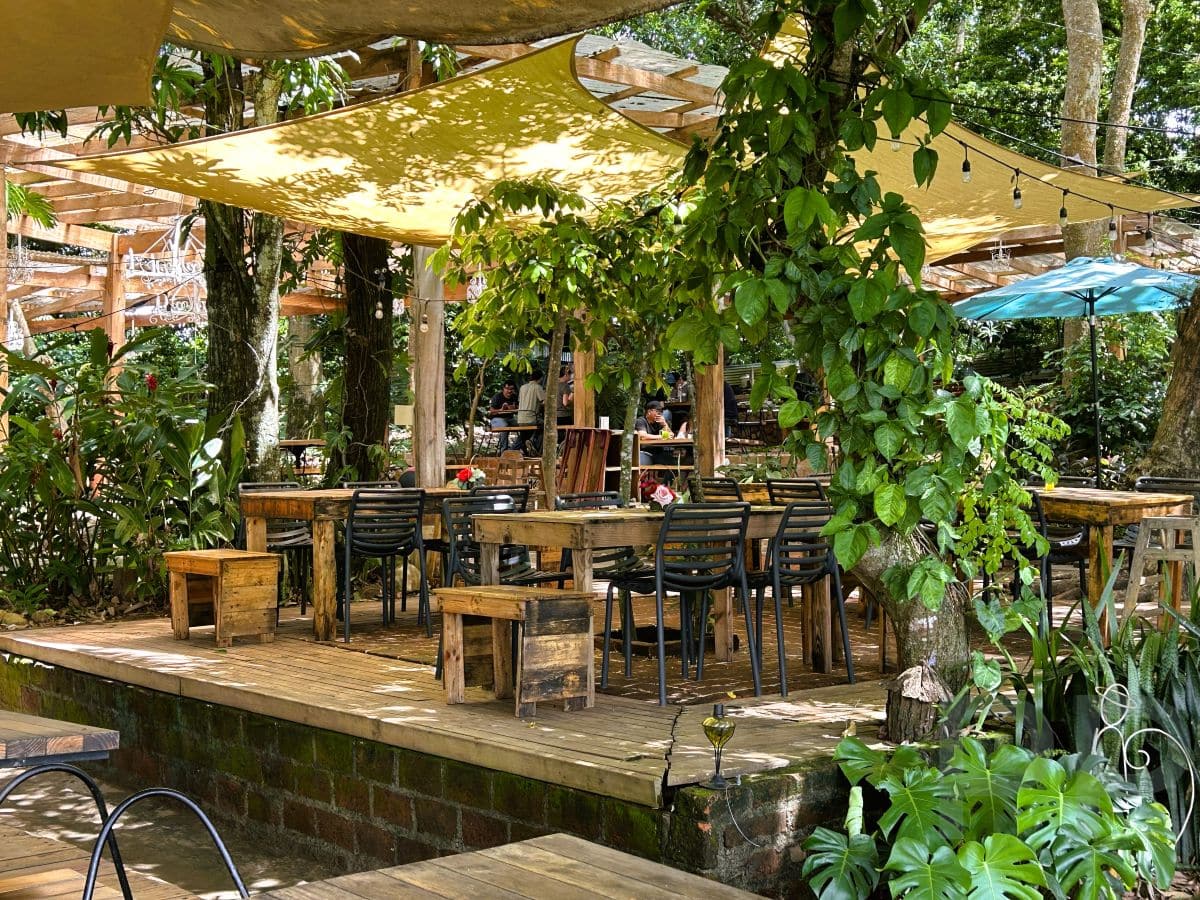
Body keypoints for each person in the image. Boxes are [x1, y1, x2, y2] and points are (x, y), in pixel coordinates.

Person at [635, 400, 675, 467]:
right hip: (644, 452)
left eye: (661, 411)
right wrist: (662, 436)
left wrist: (664, 424)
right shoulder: (641, 421)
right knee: (642, 463)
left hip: (658, 453)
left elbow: (671, 435)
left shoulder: (659, 422)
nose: (660, 413)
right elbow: (643, 436)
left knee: (673, 462)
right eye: (657, 411)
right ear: (649, 411)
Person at [515, 368, 545, 454]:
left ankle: (523, 448)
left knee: (523, 435)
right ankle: (534, 444)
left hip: (520, 419)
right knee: (545, 425)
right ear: (540, 378)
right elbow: (544, 401)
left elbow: (520, 401)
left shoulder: (522, 387)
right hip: (532, 418)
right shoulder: (538, 387)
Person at [487, 379, 519, 452]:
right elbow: (491, 411)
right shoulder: (497, 396)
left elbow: (518, 408)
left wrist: (514, 408)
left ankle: (514, 448)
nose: (509, 391)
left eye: (511, 389)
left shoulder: (514, 396)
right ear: (503, 389)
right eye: (507, 389)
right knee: (504, 426)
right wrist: (501, 409)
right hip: (496, 419)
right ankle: (503, 451)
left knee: (523, 426)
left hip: (510, 419)